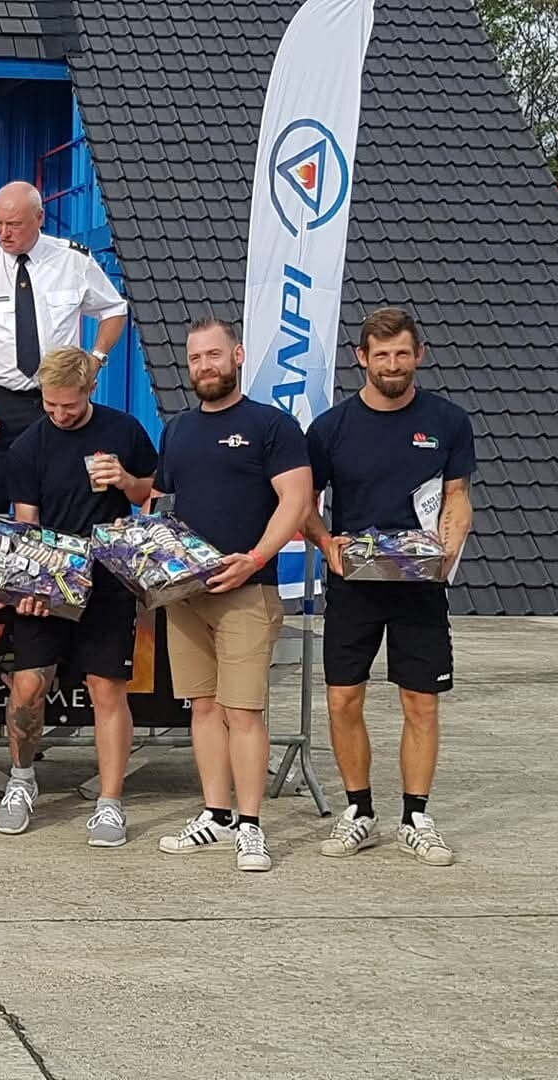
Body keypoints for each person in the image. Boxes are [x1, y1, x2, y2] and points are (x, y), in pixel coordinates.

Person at [304, 306, 475, 866]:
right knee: (342, 698)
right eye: (382, 355)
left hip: (420, 587)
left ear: (419, 354)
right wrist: (326, 543)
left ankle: (416, 817)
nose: (393, 364)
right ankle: (359, 811)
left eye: (402, 353)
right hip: (354, 586)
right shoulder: (330, 428)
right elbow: (303, 504)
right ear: (362, 358)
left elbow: (457, 498)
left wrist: (448, 547)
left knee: (421, 701)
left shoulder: (449, 421)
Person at [153, 317, 312, 872]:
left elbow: (296, 500)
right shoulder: (177, 430)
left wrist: (256, 559)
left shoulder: (272, 425)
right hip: (186, 593)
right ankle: (216, 814)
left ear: (238, 356)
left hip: (248, 591)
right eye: (196, 358)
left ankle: (251, 826)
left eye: (214, 355)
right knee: (202, 707)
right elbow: (160, 504)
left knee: (243, 711)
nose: (205, 366)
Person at [0, 346, 158, 846]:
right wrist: (29, 586)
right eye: (50, 404)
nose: (60, 414)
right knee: (27, 687)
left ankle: (110, 804)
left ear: (90, 389)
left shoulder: (124, 430)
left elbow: (150, 496)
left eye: (69, 405)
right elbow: (26, 524)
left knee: (106, 689)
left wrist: (126, 480)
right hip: (48, 579)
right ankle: (21, 780)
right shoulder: (29, 445)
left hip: (108, 579)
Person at [0, 180, 128, 512]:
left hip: (58, 405)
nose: (4, 233)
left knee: (59, 501)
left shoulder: (73, 261)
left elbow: (114, 309)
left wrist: (96, 359)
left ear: (40, 217)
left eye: (14, 224)